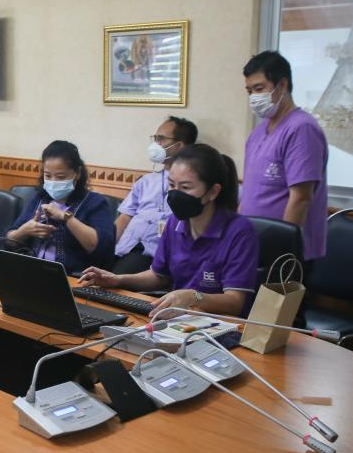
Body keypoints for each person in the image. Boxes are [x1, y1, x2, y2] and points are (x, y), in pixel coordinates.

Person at [80, 143, 258, 318]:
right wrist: (117, 280)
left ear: (212, 192)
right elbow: (159, 276)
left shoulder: (239, 231)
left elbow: (235, 302)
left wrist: (193, 297)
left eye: (186, 187)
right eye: (172, 185)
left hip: (217, 324)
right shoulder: (174, 222)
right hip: (177, 319)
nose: (175, 194)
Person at [239, 51, 329, 263]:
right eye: (249, 90)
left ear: (282, 85)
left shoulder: (302, 128)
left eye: (259, 88)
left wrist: (282, 251)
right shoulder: (259, 132)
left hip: (284, 251)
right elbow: (250, 192)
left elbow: (301, 197)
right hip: (254, 244)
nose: (253, 97)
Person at [6, 140, 116, 274]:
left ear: (78, 173)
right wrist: (24, 231)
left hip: (73, 278)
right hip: (31, 271)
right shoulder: (40, 198)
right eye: (48, 176)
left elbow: (100, 248)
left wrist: (66, 217)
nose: (53, 182)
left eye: (60, 177)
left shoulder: (94, 202)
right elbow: (9, 241)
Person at [113, 116, 198, 274]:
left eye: (161, 139)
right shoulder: (145, 181)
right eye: (155, 138)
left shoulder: (192, 185)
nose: (155, 144)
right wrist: (106, 245)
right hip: (123, 249)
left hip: (151, 255)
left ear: (179, 146)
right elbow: (125, 217)